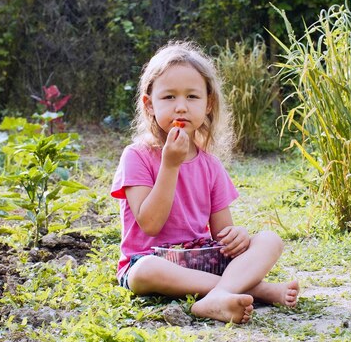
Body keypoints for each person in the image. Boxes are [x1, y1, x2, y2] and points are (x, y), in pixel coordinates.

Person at [110, 41, 298, 324]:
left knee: (270, 240)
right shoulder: (136, 156)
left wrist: (238, 238)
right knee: (145, 272)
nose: (181, 107)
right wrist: (169, 165)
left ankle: (215, 298)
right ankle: (254, 290)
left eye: (192, 97)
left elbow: (223, 237)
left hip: (202, 261)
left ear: (208, 103)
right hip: (152, 261)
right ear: (150, 104)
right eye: (169, 97)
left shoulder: (210, 165)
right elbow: (150, 224)